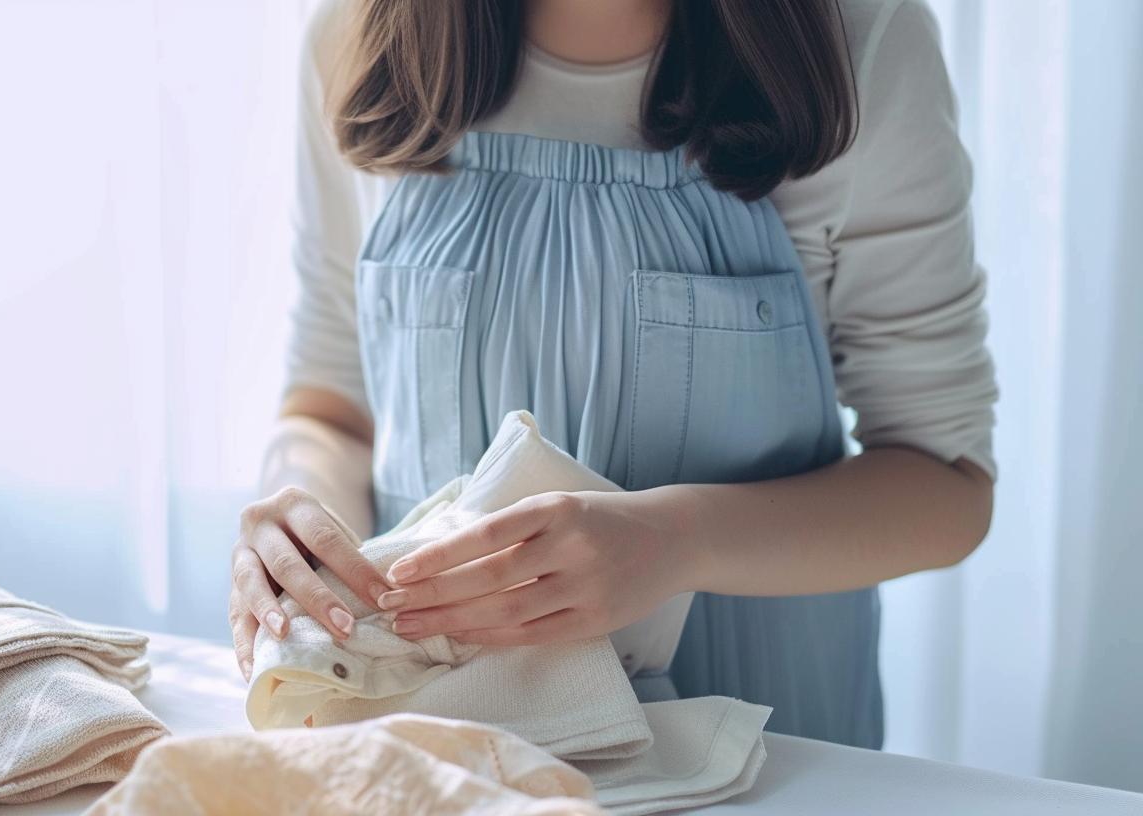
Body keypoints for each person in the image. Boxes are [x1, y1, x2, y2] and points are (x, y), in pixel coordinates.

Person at [229, 0, 997, 749]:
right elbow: (331, 406)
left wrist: (678, 542)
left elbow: (946, 484)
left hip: (773, 755)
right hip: (443, 752)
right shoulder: (359, 39)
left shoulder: (858, 41)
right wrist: (298, 530)